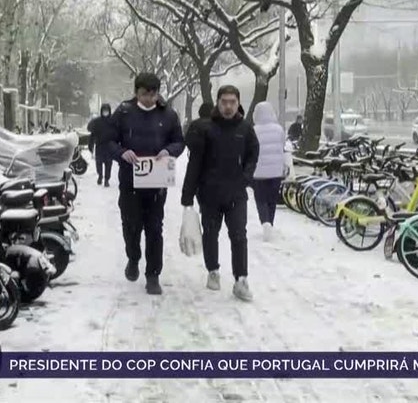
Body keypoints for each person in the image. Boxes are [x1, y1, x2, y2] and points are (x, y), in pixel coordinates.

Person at [106, 72, 185, 295]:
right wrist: (121, 152)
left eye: (153, 94)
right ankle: (133, 257)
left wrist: (168, 151)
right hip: (129, 181)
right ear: (136, 93)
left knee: (154, 228)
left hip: (156, 182)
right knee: (131, 225)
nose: (149, 99)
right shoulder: (123, 112)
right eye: (144, 94)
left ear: (158, 93)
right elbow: (108, 141)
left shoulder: (168, 115)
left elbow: (179, 142)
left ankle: (153, 275)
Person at [181, 85, 259, 302]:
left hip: (236, 193)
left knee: (239, 235)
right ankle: (213, 270)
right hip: (210, 193)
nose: (228, 106)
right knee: (210, 233)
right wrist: (187, 196)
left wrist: (246, 176)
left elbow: (253, 153)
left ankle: (241, 279)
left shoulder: (245, 128)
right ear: (217, 102)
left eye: (232, 102)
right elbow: (195, 163)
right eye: (224, 102)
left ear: (238, 103)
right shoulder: (206, 128)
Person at [251, 102, 286, 241]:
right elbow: (283, 147)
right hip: (276, 171)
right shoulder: (279, 129)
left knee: (261, 199)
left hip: (258, 172)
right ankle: (270, 222)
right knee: (272, 199)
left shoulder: (253, 130)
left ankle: (265, 222)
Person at [87, 103, 114, 187]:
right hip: (100, 145)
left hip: (109, 146)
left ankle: (106, 179)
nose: (105, 112)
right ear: (101, 111)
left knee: (108, 164)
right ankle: (100, 175)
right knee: (99, 163)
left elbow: (117, 133)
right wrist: (90, 145)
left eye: (107, 110)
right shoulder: (97, 122)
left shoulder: (113, 121)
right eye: (104, 110)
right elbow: (92, 134)